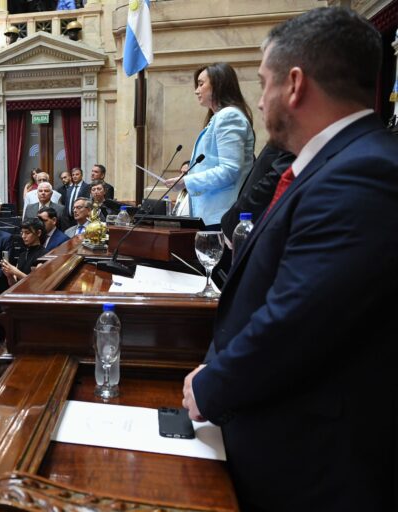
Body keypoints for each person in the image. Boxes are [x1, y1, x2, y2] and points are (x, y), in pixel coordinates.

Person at [181, 8, 398, 511]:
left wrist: (214, 382)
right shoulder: (340, 162)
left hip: (314, 468)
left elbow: (297, 317)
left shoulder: (361, 172)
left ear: (294, 84)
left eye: (263, 83)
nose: (258, 101)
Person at [165, 62, 255, 228]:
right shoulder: (219, 118)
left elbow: (229, 170)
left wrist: (187, 181)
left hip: (222, 215)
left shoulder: (229, 116)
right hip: (213, 215)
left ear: (218, 85)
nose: (196, 90)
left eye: (201, 84)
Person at [1, 218, 46, 286]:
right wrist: (9, 276)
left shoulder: (44, 254)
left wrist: (14, 271)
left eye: (27, 233)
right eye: (22, 233)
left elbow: (35, 283)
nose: (23, 236)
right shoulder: (22, 254)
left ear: (39, 233)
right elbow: (13, 284)